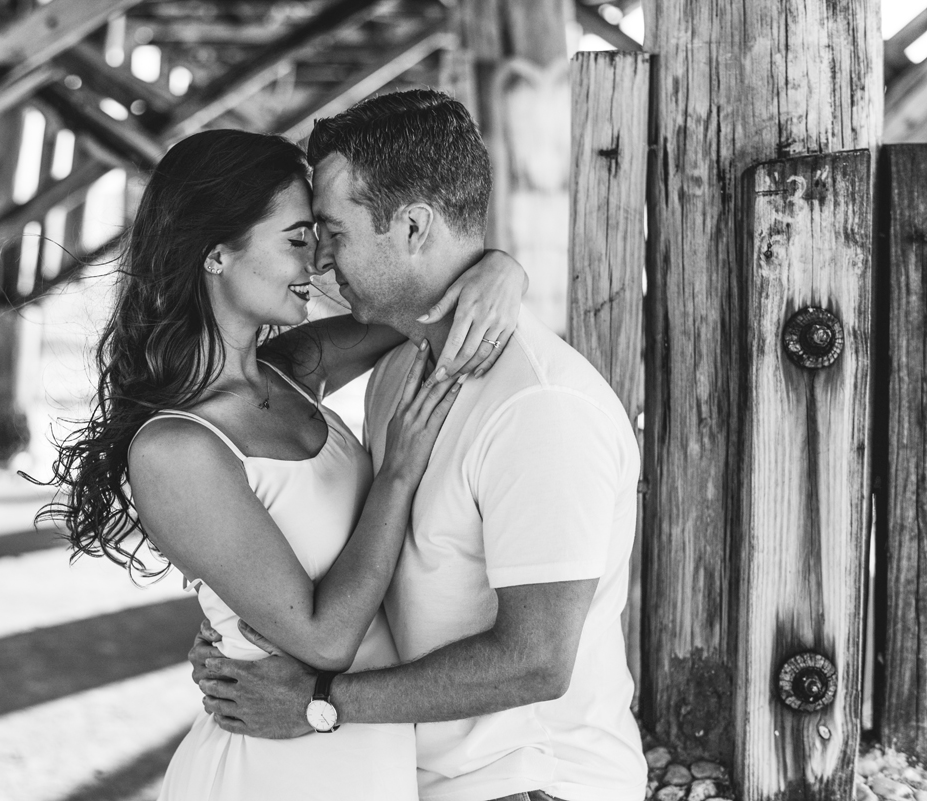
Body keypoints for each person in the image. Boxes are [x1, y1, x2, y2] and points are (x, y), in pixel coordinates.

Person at [189, 90, 648, 801]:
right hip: (416, 776)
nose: (323, 262)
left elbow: (535, 661)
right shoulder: (401, 366)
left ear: (411, 225)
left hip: (529, 785)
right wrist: (248, 639)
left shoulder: (541, 409)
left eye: (334, 233)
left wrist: (317, 700)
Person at [43, 127, 526, 800]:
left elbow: (419, 293)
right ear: (217, 254)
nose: (320, 264)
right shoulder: (176, 448)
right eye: (298, 239)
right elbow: (325, 639)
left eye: (324, 240)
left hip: (353, 748)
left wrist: (504, 266)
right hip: (275, 769)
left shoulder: (292, 370)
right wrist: (397, 475)